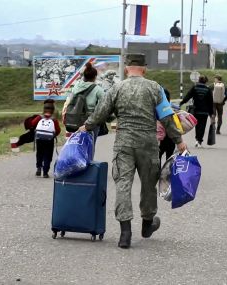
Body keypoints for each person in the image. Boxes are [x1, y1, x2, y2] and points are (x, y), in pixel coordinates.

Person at [79, 54, 186, 249]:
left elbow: (100, 113)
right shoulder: (155, 88)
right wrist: (178, 140)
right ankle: (147, 224)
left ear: (127, 69)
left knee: (123, 184)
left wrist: (85, 127)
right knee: (148, 185)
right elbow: (167, 116)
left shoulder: (117, 88)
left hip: (124, 143)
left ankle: (125, 233)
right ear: (144, 69)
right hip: (148, 143)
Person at [68, 62, 105, 145]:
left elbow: (70, 100)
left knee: (77, 144)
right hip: (90, 121)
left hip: (75, 118)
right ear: (95, 77)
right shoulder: (98, 89)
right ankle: (87, 158)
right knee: (89, 146)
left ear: (84, 76)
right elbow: (103, 106)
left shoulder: (76, 86)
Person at [180, 75, 214, 147]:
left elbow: (188, 96)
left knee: (197, 125)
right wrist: (211, 114)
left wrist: (181, 103)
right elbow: (210, 102)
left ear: (199, 80)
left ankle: (197, 140)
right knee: (202, 126)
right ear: (206, 81)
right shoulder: (208, 90)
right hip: (204, 112)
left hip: (196, 110)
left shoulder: (195, 88)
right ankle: (199, 141)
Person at [30, 99, 61, 178]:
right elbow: (58, 131)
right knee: (48, 155)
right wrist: (53, 135)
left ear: (44, 109)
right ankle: (45, 172)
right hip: (49, 140)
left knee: (39, 153)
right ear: (53, 110)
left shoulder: (39, 117)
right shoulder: (54, 120)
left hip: (39, 139)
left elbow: (32, 123)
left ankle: (39, 168)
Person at [159, 88, 176, 163]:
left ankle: (158, 174)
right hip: (170, 138)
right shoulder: (172, 110)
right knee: (169, 160)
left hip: (159, 139)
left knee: (157, 159)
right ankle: (167, 174)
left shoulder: (154, 109)